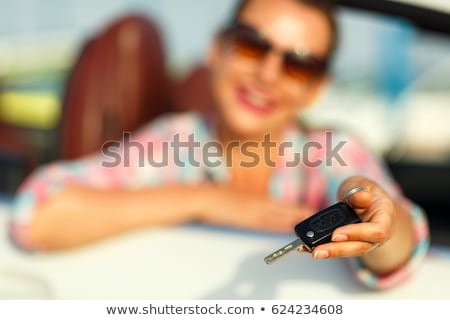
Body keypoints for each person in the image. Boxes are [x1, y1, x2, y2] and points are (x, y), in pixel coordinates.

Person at [9, 0, 429, 290]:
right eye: (252, 45)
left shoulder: (333, 150)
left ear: (317, 88)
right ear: (217, 50)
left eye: (298, 64)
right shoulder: (174, 140)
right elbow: (37, 212)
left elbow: (398, 247)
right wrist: (204, 200)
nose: (267, 74)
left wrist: (380, 220)